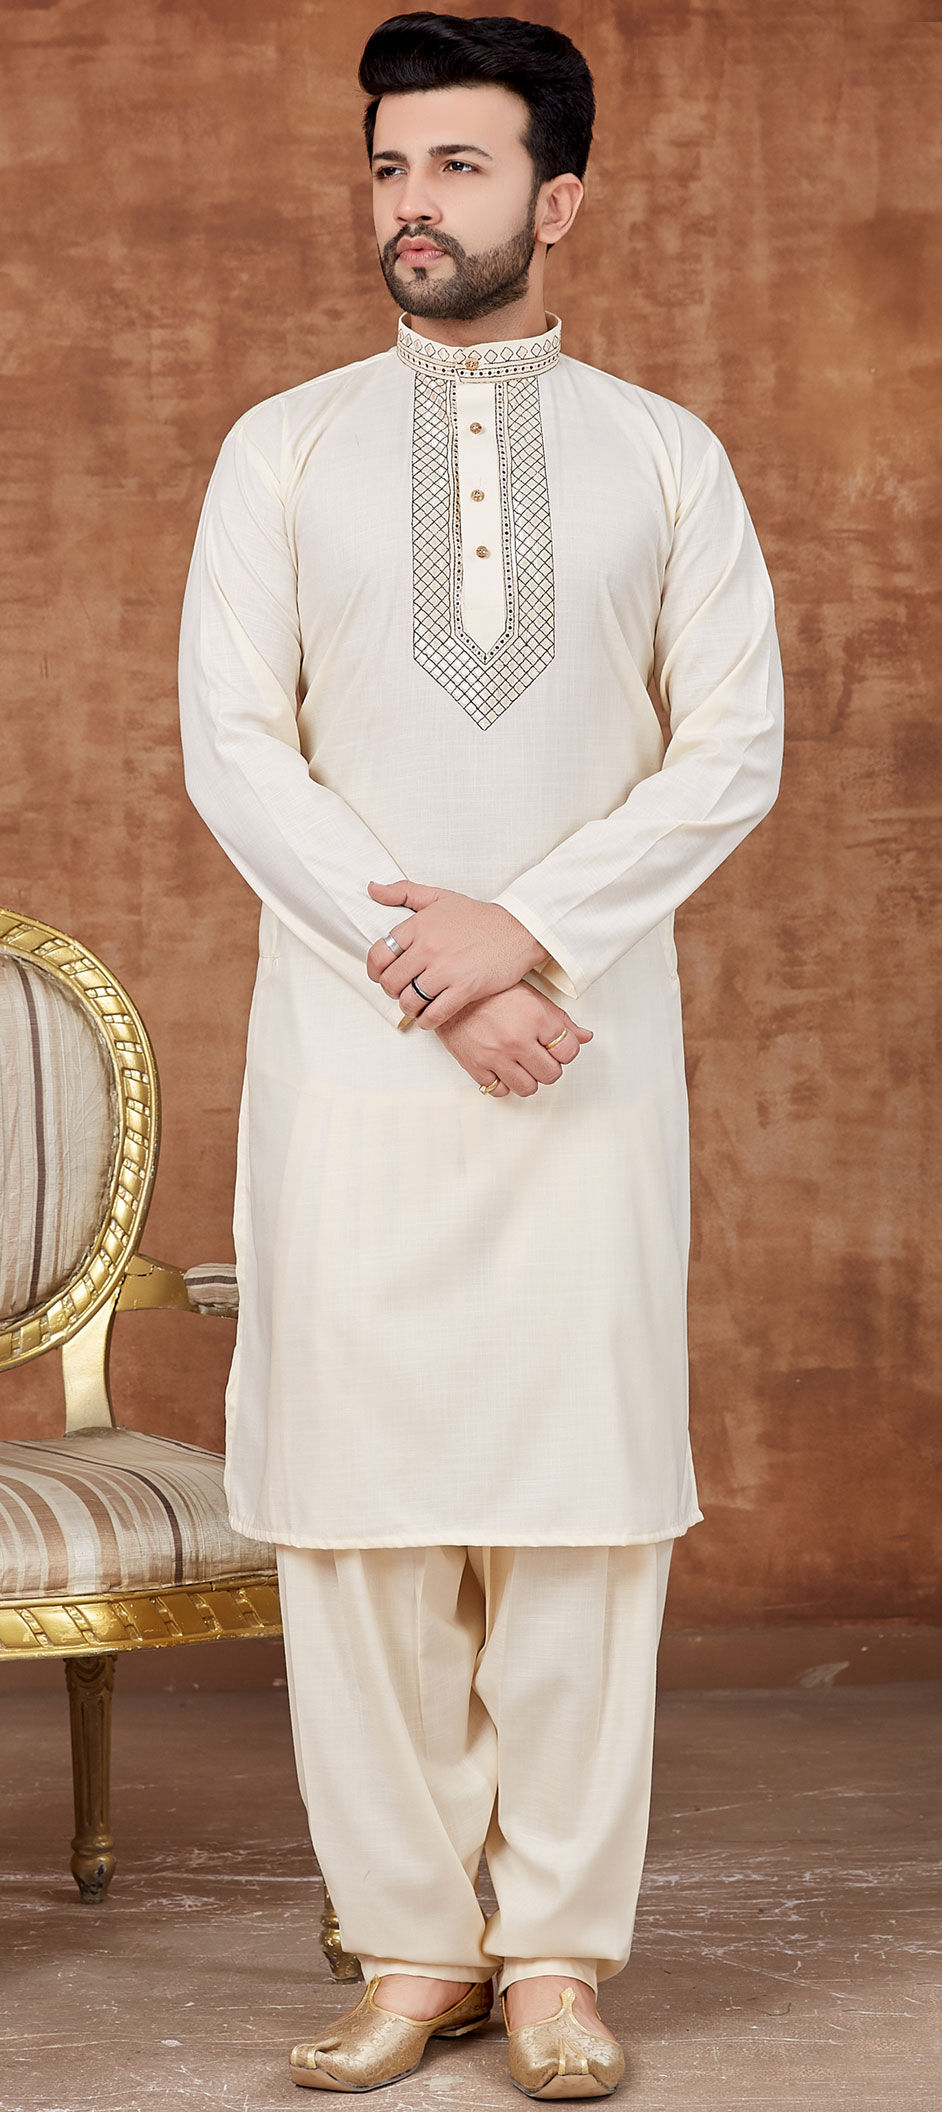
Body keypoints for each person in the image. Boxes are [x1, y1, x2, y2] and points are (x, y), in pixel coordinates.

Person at [178, 10, 783, 2099]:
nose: (409, 205)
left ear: (560, 198)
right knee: (357, 1517)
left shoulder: (666, 456)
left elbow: (731, 753)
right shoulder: (281, 449)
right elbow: (237, 752)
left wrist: (526, 934)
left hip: (584, 1055)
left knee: (577, 1514)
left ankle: (554, 1961)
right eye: (387, 168)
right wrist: (430, 964)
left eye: (454, 165)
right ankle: (412, 1949)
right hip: (356, 1065)